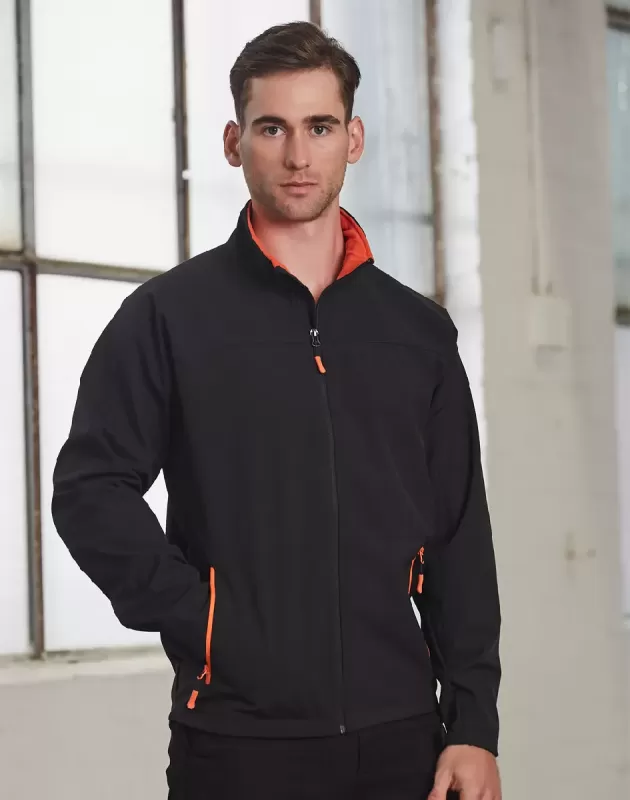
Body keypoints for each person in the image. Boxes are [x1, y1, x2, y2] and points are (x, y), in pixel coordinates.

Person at [52, 21, 501, 800]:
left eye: (320, 127)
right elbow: (90, 489)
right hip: (237, 741)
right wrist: (204, 622)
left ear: (353, 139)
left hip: (403, 738)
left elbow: (458, 535)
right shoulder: (170, 317)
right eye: (272, 128)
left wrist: (472, 725)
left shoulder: (418, 334)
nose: (298, 156)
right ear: (235, 143)